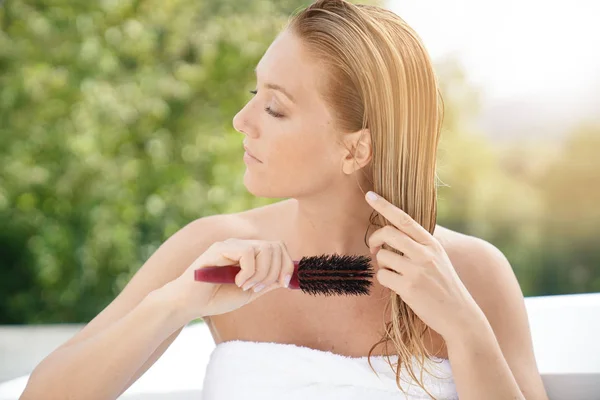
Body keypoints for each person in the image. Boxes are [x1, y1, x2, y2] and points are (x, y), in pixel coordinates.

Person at [21, 0, 549, 399]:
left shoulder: (474, 274)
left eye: (274, 108)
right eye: (255, 95)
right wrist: (175, 303)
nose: (241, 122)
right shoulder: (213, 251)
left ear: (355, 146)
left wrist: (463, 326)